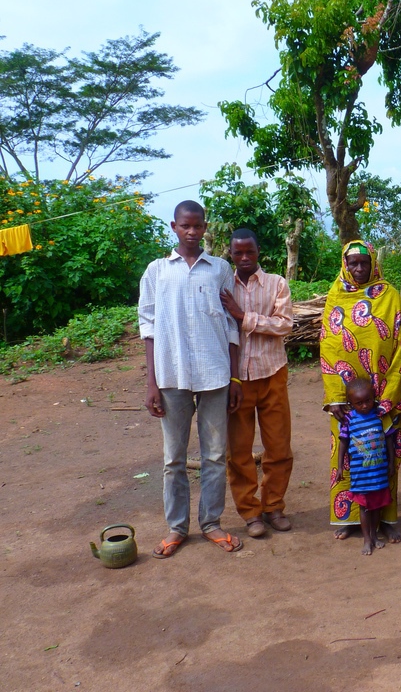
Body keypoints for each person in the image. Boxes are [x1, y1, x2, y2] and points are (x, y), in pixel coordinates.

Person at [138, 200, 243, 558]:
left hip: (215, 376)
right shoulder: (157, 271)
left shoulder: (220, 269)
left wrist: (234, 379)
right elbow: (148, 327)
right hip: (171, 376)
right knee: (173, 459)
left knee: (215, 456)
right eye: (186, 226)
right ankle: (176, 527)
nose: (192, 232)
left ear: (205, 227)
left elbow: (231, 325)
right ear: (174, 227)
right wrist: (152, 382)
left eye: (198, 226)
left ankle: (211, 523)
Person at [321, 241, 401, 543]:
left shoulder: (390, 296)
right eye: (353, 263)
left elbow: (397, 346)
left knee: (384, 457)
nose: (359, 269)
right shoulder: (335, 295)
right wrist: (335, 398)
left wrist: (390, 396)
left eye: (364, 263)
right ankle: (350, 518)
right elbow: (328, 345)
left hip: (381, 397)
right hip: (347, 401)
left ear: (373, 264)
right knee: (348, 459)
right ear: (345, 264)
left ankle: (386, 519)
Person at [220, 228, 294, 538]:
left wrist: (243, 316)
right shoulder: (223, 286)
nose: (245, 258)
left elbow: (285, 324)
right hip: (236, 379)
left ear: (259, 250)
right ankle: (250, 514)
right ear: (231, 254)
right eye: (239, 253)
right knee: (239, 451)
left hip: (273, 373)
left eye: (250, 251)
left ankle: (273, 506)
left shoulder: (277, 283)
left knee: (278, 446)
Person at [333, 378, 394, 556]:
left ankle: (374, 536)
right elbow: (343, 443)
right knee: (364, 507)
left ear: (374, 397)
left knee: (376, 506)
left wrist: (391, 462)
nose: (365, 405)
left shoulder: (380, 415)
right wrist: (339, 467)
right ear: (350, 404)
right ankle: (367, 539)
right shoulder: (349, 419)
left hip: (379, 472)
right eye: (359, 403)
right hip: (360, 474)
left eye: (367, 400)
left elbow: (389, 438)